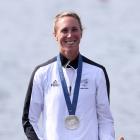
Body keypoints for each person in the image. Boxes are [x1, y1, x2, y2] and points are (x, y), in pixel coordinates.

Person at [22, 11, 115, 140]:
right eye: (64, 30)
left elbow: (105, 119)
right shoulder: (42, 73)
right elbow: (29, 120)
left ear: (81, 33)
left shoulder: (97, 72)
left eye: (74, 29)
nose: (70, 35)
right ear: (55, 35)